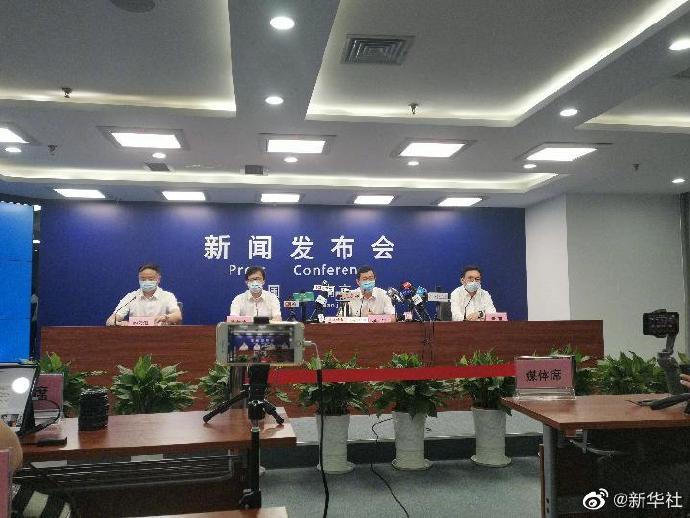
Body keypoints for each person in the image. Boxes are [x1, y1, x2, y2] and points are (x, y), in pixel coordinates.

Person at [105, 263, 182, 326]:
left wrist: (166, 317)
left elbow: (178, 316)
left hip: (161, 336)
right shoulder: (131, 297)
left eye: (150, 279)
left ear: (158, 279)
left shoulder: (167, 296)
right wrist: (120, 324)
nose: (146, 281)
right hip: (135, 336)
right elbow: (110, 321)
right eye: (143, 279)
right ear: (139, 279)